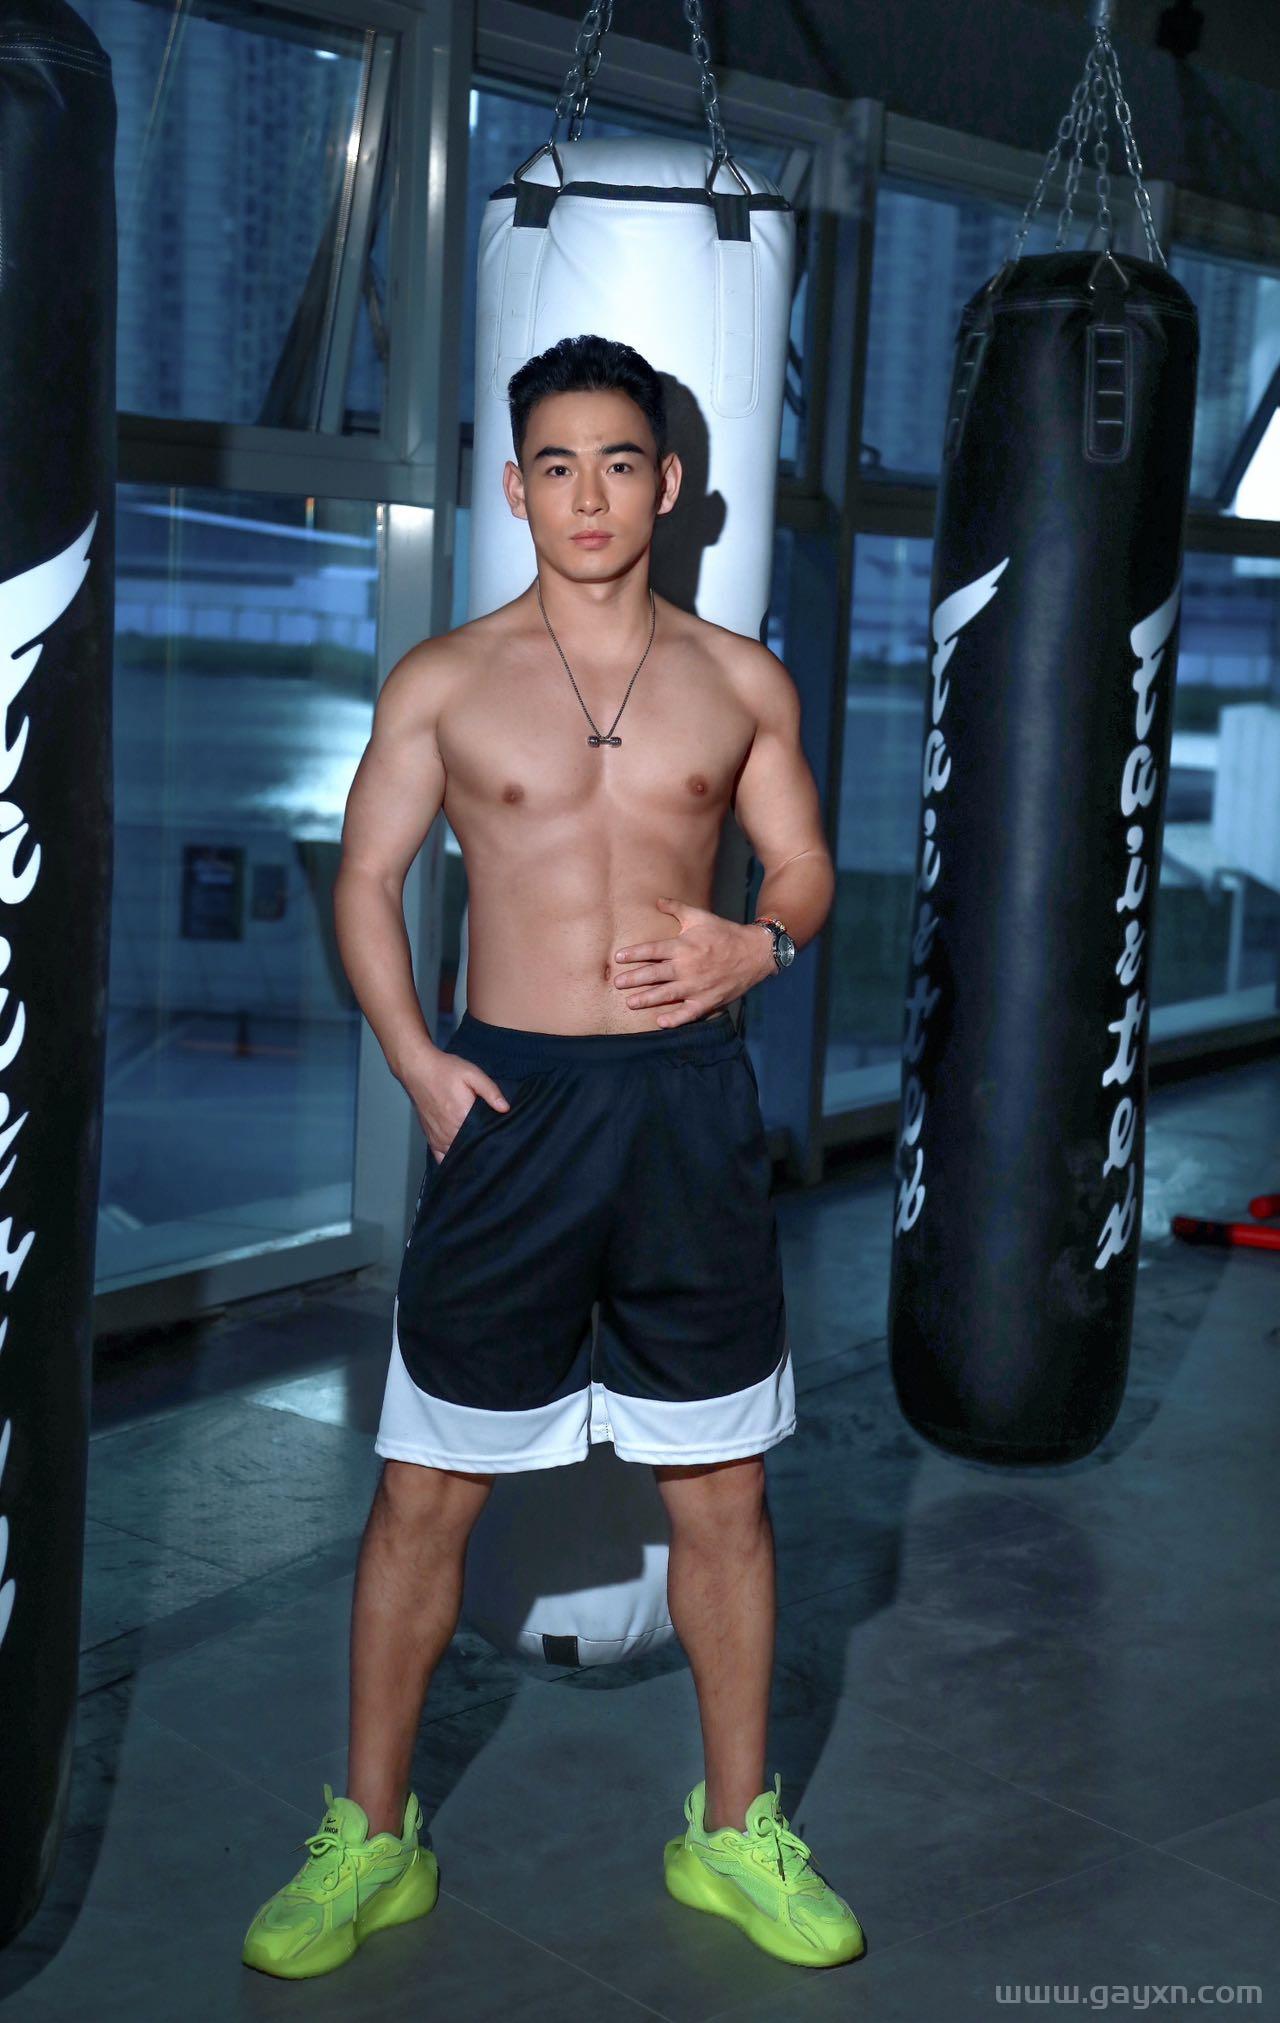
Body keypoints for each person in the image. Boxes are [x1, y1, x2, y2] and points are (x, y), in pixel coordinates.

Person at [241, 333, 864, 1979]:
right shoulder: (444, 681)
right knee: (421, 1494)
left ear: (670, 486)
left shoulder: (742, 682)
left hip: (687, 1107)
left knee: (724, 1492)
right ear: (515, 489)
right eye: (558, 465)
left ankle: (734, 1835)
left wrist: (756, 945)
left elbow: (805, 865)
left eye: (621, 462)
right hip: (510, 1113)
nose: (590, 494)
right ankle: (371, 1842)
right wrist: (417, 1060)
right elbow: (366, 881)